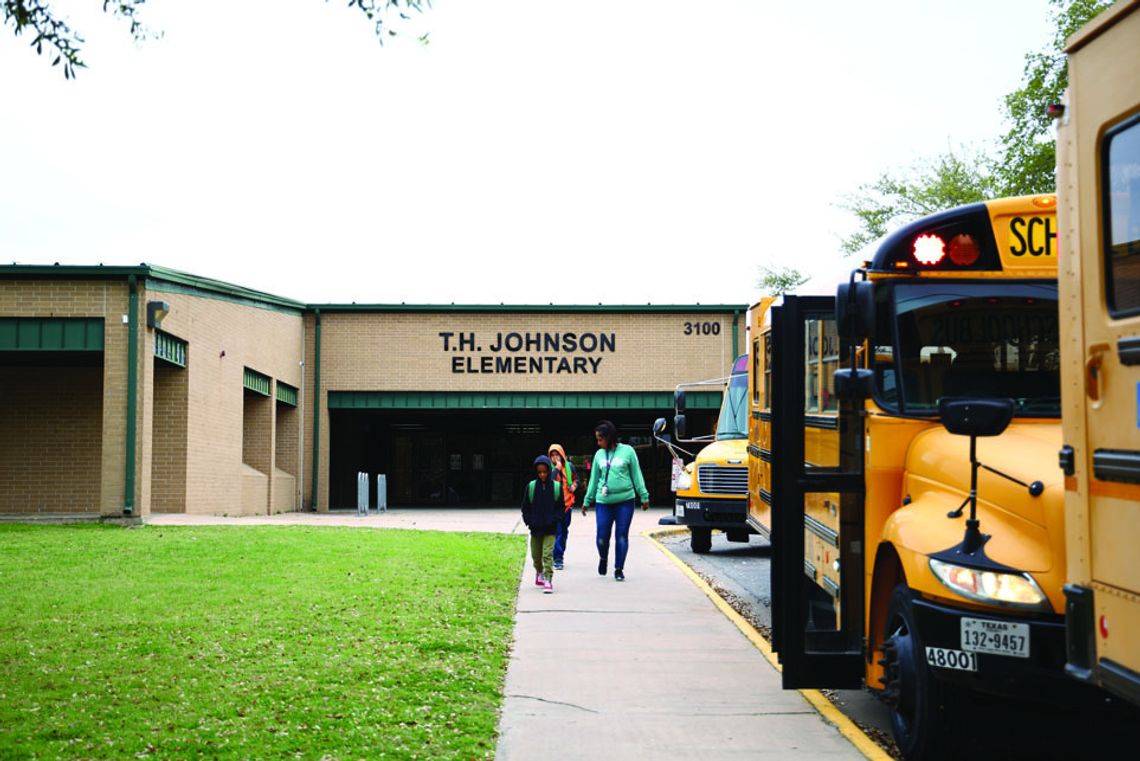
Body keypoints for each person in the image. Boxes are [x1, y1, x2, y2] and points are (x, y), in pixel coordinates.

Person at [581, 420, 649, 581]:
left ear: (609, 437)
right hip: (603, 502)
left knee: (622, 535)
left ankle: (619, 569)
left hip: (625, 501)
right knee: (602, 536)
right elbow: (593, 480)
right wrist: (587, 500)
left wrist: (643, 495)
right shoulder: (598, 455)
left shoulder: (628, 451)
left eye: (600, 439)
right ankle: (603, 558)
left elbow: (636, 475)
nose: (598, 443)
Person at [521, 454, 563, 594]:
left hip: (550, 528)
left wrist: (555, 519)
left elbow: (560, 508)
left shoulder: (556, 487)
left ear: (549, 471)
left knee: (547, 554)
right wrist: (529, 521)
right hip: (535, 528)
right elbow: (525, 507)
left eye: (545, 472)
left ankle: (548, 579)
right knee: (536, 556)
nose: (543, 475)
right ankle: (539, 572)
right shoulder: (531, 487)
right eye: (539, 472)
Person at [547, 444, 577, 570]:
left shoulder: (569, 467)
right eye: (552, 455)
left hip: (567, 503)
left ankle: (560, 553)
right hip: (554, 506)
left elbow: (576, 480)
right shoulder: (548, 468)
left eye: (557, 455)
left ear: (562, 455)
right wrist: (556, 469)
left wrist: (574, 486)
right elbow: (547, 482)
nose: (555, 458)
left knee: (564, 531)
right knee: (557, 531)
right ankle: (558, 558)